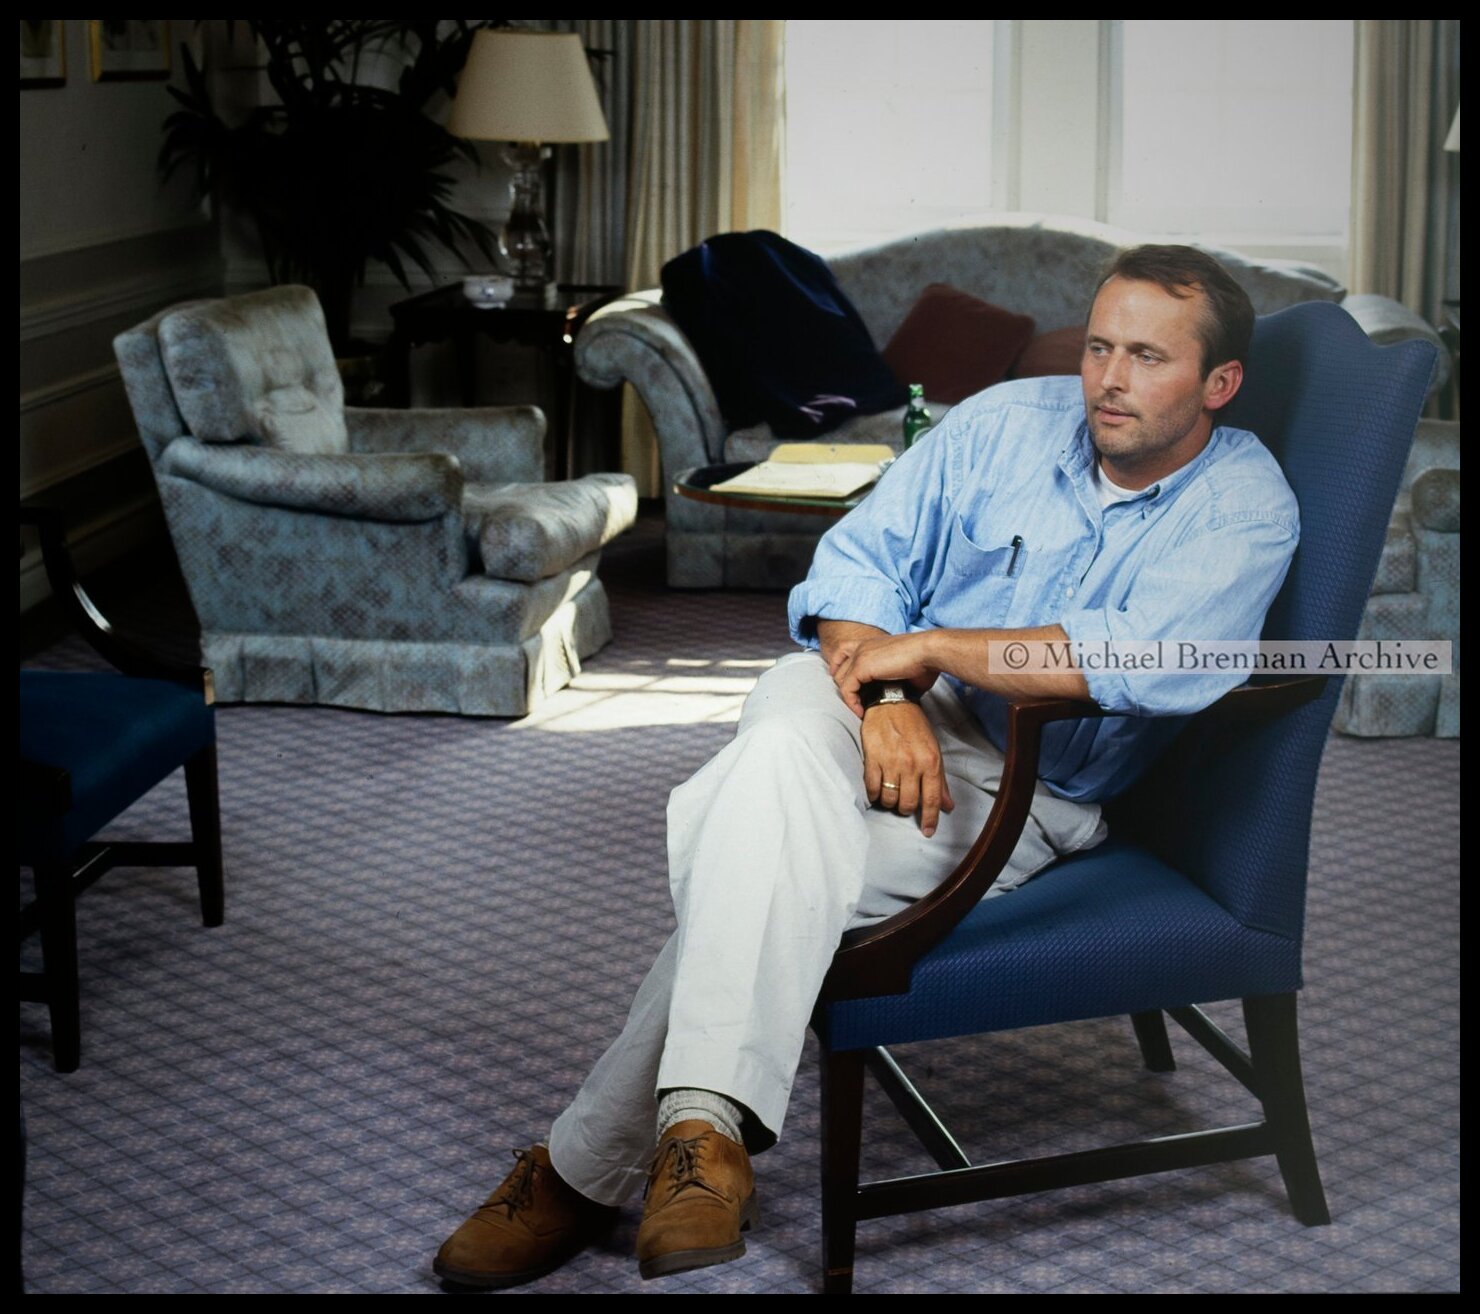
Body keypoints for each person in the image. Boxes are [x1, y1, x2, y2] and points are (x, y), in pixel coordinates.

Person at [432, 245, 1300, 1289]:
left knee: (749, 842)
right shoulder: (1002, 424)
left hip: (1027, 787)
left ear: (1218, 384)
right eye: (1100, 346)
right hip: (868, 706)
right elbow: (858, 563)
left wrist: (930, 650)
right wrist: (891, 697)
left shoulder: (1245, 506)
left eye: (1147, 358)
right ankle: (699, 1141)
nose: (1107, 380)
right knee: (785, 729)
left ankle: (583, 1169)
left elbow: (1140, 656)